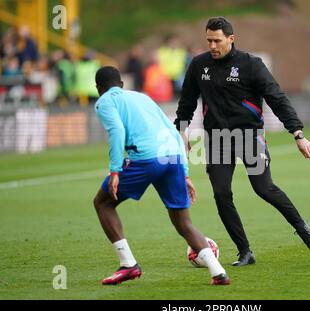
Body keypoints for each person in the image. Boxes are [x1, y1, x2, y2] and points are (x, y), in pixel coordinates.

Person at [174, 17, 310, 267]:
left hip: (250, 136)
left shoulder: (251, 65)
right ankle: (245, 251)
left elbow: (277, 98)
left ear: (231, 39)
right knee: (221, 194)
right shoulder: (199, 65)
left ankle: (302, 228)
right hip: (218, 139)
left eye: (217, 40)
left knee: (264, 189)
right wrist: (183, 132)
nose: (212, 45)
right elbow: (186, 103)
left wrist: (297, 133)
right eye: (208, 40)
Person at [93, 66, 230, 285]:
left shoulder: (104, 102)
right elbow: (173, 131)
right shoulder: (142, 98)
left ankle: (128, 265)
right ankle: (218, 272)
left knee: (102, 203)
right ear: (121, 85)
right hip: (172, 158)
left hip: (146, 158)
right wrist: (184, 174)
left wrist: (115, 171)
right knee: (183, 222)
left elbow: (117, 131)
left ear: (99, 89)